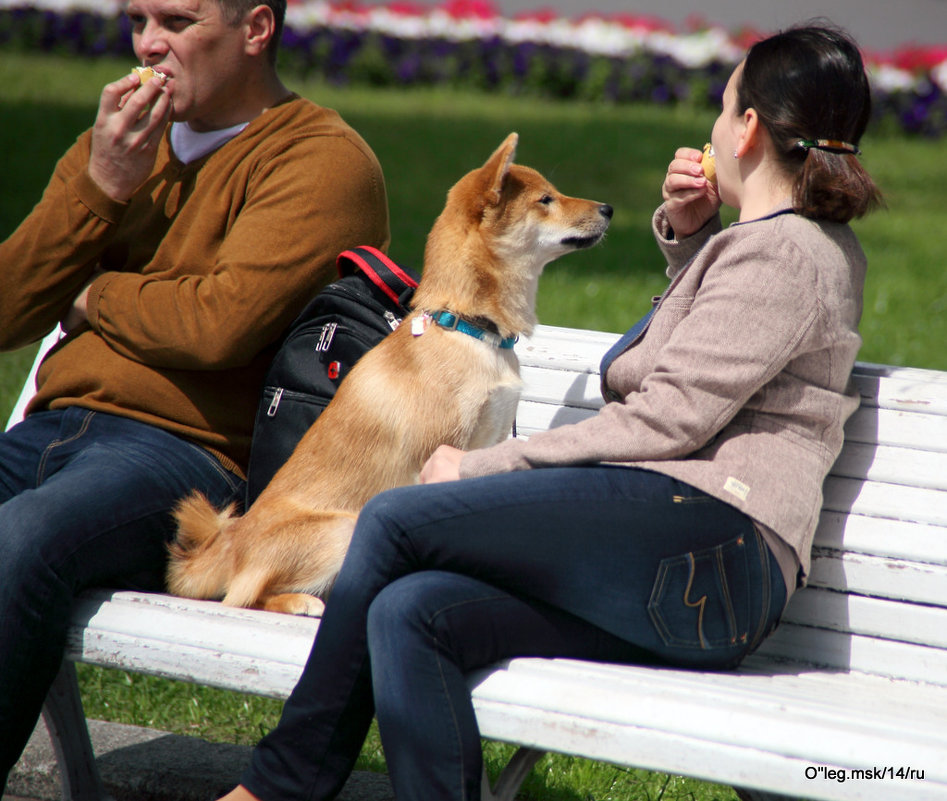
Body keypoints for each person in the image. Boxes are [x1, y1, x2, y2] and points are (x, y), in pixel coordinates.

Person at [216, 22, 881, 801]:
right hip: (685, 562)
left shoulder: (786, 253)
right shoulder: (777, 247)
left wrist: (477, 466)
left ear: (746, 130)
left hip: (708, 547)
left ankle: (277, 786)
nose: (709, 124)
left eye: (722, 104)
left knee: (395, 518)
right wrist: (694, 239)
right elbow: (718, 348)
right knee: (411, 610)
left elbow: (668, 420)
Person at [0, 0, 389, 788]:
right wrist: (101, 187)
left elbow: (218, 326)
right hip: (55, 432)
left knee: (19, 540)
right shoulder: (117, 147)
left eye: (177, 21)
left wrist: (92, 293)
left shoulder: (321, 160)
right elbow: (10, 308)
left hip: (187, 463)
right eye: (137, 18)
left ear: (254, 30)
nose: (149, 44)